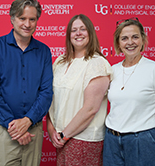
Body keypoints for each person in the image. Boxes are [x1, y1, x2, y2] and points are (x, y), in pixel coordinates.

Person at [0, 0, 53, 166]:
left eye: (32, 19)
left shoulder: (44, 51)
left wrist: (28, 120)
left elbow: (46, 92)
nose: (27, 24)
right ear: (12, 19)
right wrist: (13, 126)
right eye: (22, 18)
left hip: (33, 129)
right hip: (2, 129)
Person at [103, 17, 155, 166]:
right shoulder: (113, 71)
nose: (130, 42)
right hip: (112, 142)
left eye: (135, 37)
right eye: (124, 38)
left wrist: (152, 137)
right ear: (118, 43)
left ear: (143, 40)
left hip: (145, 142)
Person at [46, 14, 113, 166]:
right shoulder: (60, 62)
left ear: (90, 33)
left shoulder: (97, 63)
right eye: (74, 30)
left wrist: (65, 135)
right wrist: (51, 129)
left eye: (83, 29)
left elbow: (91, 108)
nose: (78, 33)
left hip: (84, 140)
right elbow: (51, 99)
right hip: (60, 137)